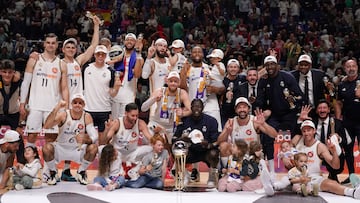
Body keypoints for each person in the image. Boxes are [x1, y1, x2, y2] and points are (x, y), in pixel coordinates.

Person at [261, 120, 360, 200]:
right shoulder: (297, 139)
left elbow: (336, 166)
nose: (306, 133)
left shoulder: (320, 146)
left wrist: (334, 151)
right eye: (304, 130)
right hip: (296, 177)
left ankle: (353, 192)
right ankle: (272, 187)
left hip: (312, 178)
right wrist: (284, 157)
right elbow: (285, 148)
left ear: (314, 131)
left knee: (331, 183)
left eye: (309, 130)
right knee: (284, 180)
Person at [19, 33, 69, 146]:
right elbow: (26, 83)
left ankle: (48, 164)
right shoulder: (34, 60)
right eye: (48, 43)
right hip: (35, 104)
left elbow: (64, 88)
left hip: (53, 106)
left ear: (57, 45)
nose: (50, 45)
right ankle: (32, 163)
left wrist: (66, 107)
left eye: (53, 43)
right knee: (31, 136)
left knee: (51, 138)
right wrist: (22, 103)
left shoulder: (62, 64)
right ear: (44, 44)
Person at [258, 55, 304, 174]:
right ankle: (271, 171)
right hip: (273, 115)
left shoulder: (288, 77)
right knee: (267, 136)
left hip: (289, 113)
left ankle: (298, 169)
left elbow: (299, 96)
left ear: (277, 65)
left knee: (296, 137)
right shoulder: (263, 80)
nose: (270, 67)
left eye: (272, 64)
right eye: (267, 65)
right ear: (265, 67)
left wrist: (292, 100)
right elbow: (260, 100)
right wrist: (264, 112)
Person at [42, 94, 98, 185]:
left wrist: (86, 139)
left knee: (93, 148)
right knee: (46, 148)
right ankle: (53, 172)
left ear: (84, 105)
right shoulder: (63, 114)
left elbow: (94, 136)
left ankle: (81, 171)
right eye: (75, 102)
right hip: (61, 148)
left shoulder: (86, 116)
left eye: (80, 103)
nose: (77, 105)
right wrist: (57, 107)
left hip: (77, 150)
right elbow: (47, 125)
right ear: (71, 104)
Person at [217, 97, 277, 180]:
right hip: (237, 156)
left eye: (244, 107)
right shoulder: (231, 121)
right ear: (235, 110)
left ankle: (260, 175)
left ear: (249, 109)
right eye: (239, 107)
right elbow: (219, 141)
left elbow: (274, 135)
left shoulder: (255, 120)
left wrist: (264, 124)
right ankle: (226, 172)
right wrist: (226, 131)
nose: (242, 109)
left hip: (253, 156)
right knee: (223, 145)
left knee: (252, 181)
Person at [173, 99, 220, 187]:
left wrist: (208, 145)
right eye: (194, 106)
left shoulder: (211, 121)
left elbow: (216, 142)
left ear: (202, 108)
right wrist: (182, 139)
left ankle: (212, 176)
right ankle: (185, 174)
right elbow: (175, 139)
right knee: (177, 150)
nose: (197, 109)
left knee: (214, 153)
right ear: (191, 108)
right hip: (190, 151)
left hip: (205, 151)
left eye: (199, 107)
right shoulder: (184, 121)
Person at [179, 46, 224, 132]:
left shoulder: (210, 69)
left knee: (215, 132)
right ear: (191, 55)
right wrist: (184, 72)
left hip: (210, 106)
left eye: (199, 52)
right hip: (193, 107)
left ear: (203, 55)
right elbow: (182, 88)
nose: (197, 54)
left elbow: (222, 88)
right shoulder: (187, 69)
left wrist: (215, 89)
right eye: (194, 52)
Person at [83, 45, 121, 145]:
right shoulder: (86, 68)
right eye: (98, 54)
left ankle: (102, 160)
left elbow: (112, 94)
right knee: (87, 141)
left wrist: (116, 87)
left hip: (104, 109)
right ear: (94, 55)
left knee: (103, 142)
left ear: (106, 56)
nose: (100, 56)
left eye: (103, 54)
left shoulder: (110, 71)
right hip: (88, 110)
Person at [141, 71, 191, 143]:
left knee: (174, 145)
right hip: (157, 123)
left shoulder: (182, 93)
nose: (173, 83)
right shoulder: (160, 91)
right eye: (171, 81)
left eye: (175, 81)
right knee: (145, 140)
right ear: (167, 82)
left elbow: (190, 110)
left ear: (179, 83)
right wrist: (154, 99)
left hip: (171, 126)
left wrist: (183, 113)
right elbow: (143, 108)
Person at [103, 103, 153, 169]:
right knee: (102, 149)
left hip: (132, 153)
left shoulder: (140, 123)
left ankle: (139, 168)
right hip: (117, 153)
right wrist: (106, 130)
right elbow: (105, 140)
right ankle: (112, 168)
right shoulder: (117, 123)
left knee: (151, 149)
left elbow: (150, 138)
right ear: (126, 113)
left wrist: (157, 139)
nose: (135, 118)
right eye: (132, 116)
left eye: (136, 115)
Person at [334, 59, 360, 184]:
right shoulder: (341, 85)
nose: (351, 68)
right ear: (345, 69)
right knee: (348, 149)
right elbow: (338, 103)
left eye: (353, 66)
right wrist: (338, 120)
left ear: (357, 67)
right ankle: (351, 175)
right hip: (348, 123)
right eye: (348, 66)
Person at [62, 15, 100, 96]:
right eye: (68, 47)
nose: (71, 49)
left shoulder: (78, 61)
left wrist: (96, 26)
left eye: (73, 47)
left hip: (77, 101)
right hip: (63, 100)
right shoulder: (59, 63)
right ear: (63, 50)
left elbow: (93, 46)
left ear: (76, 50)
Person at [109, 33, 144, 118]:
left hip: (129, 92)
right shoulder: (116, 53)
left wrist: (138, 53)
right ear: (124, 42)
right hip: (116, 91)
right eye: (127, 40)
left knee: (125, 119)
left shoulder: (139, 58)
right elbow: (109, 68)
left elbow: (137, 74)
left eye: (132, 40)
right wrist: (115, 62)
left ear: (135, 43)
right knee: (113, 119)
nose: (129, 42)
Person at [0, 59, 25, 164]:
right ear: (0, 72)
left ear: (14, 73)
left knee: (19, 138)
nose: (7, 75)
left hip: (13, 113)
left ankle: (22, 163)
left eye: (10, 72)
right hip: (0, 113)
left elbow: (23, 107)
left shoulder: (18, 82)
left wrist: (20, 124)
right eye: (4, 72)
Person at [221, 59, 246, 127]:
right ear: (227, 68)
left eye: (235, 67)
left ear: (238, 68)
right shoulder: (222, 80)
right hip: (225, 113)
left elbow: (256, 75)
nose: (233, 69)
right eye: (231, 67)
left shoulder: (243, 78)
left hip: (240, 113)